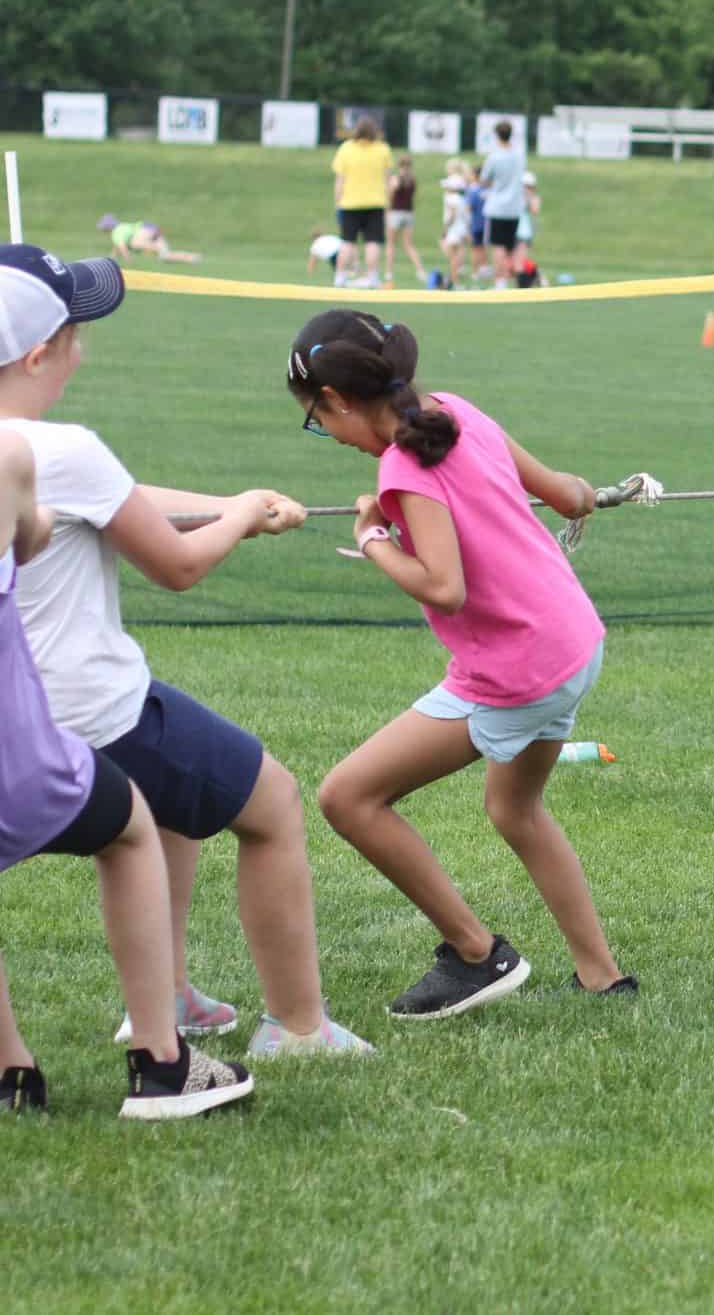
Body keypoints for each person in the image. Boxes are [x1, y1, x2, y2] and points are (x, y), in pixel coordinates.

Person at [0, 244, 369, 1057]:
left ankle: (164, 997)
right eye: (74, 334)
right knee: (272, 802)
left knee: (179, 803)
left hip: (16, 723)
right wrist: (236, 519)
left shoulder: (24, 455)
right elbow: (175, 567)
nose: (82, 349)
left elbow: (114, 501)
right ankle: (298, 1026)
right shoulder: (65, 449)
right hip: (95, 716)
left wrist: (237, 505)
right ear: (38, 354)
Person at [288, 310, 633, 1015]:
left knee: (347, 797)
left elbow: (445, 586)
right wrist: (589, 496)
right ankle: (601, 974)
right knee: (514, 808)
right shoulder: (453, 408)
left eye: (318, 422)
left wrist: (375, 538)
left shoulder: (401, 465)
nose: (331, 436)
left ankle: (477, 954)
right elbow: (565, 493)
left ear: (337, 399)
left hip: (517, 669)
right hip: (574, 643)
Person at [0, 393, 254, 1118]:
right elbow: (30, 532)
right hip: (18, 752)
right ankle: (163, 1063)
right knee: (133, 825)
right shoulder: (14, 454)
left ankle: (11, 1076)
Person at [329, 117, 392, 289]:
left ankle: (340, 277)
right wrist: (388, 202)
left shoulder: (346, 149)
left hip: (350, 203)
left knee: (347, 242)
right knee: (372, 242)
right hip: (375, 202)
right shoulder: (382, 149)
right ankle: (372, 277)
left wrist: (337, 201)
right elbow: (387, 180)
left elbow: (340, 180)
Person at [479, 123, 529, 283]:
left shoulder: (494, 157)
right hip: (514, 207)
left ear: (497, 136)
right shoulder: (520, 155)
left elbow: (484, 180)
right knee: (511, 246)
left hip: (498, 207)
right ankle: (511, 277)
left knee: (498, 246)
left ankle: (500, 280)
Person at [385, 155, 428, 289]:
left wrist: (386, 211)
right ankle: (420, 270)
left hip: (395, 213)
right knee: (408, 245)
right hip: (408, 213)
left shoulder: (396, 179)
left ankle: (389, 273)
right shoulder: (412, 180)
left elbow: (390, 196)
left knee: (391, 244)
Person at [96, 216, 202, 265]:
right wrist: (111, 258)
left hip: (145, 230)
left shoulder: (116, 232)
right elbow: (117, 247)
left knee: (134, 243)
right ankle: (193, 258)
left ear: (108, 227)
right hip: (152, 229)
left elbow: (122, 248)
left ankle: (155, 248)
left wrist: (128, 261)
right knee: (165, 256)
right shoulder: (123, 227)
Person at [437, 163, 473, 286]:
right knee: (457, 254)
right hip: (461, 228)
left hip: (453, 229)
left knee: (452, 256)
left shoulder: (450, 198)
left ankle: (454, 280)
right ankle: (455, 275)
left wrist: (445, 229)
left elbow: (451, 215)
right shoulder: (462, 198)